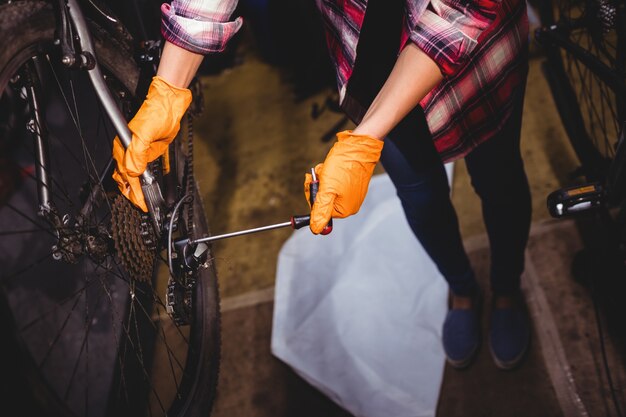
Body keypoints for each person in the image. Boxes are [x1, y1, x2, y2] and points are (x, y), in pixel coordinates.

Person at [112, 0, 531, 370]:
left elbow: (464, 11)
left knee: (499, 179)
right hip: (372, 57)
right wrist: (167, 91)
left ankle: (507, 289)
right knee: (420, 195)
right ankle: (461, 289)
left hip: (479, 60)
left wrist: (365, 138)